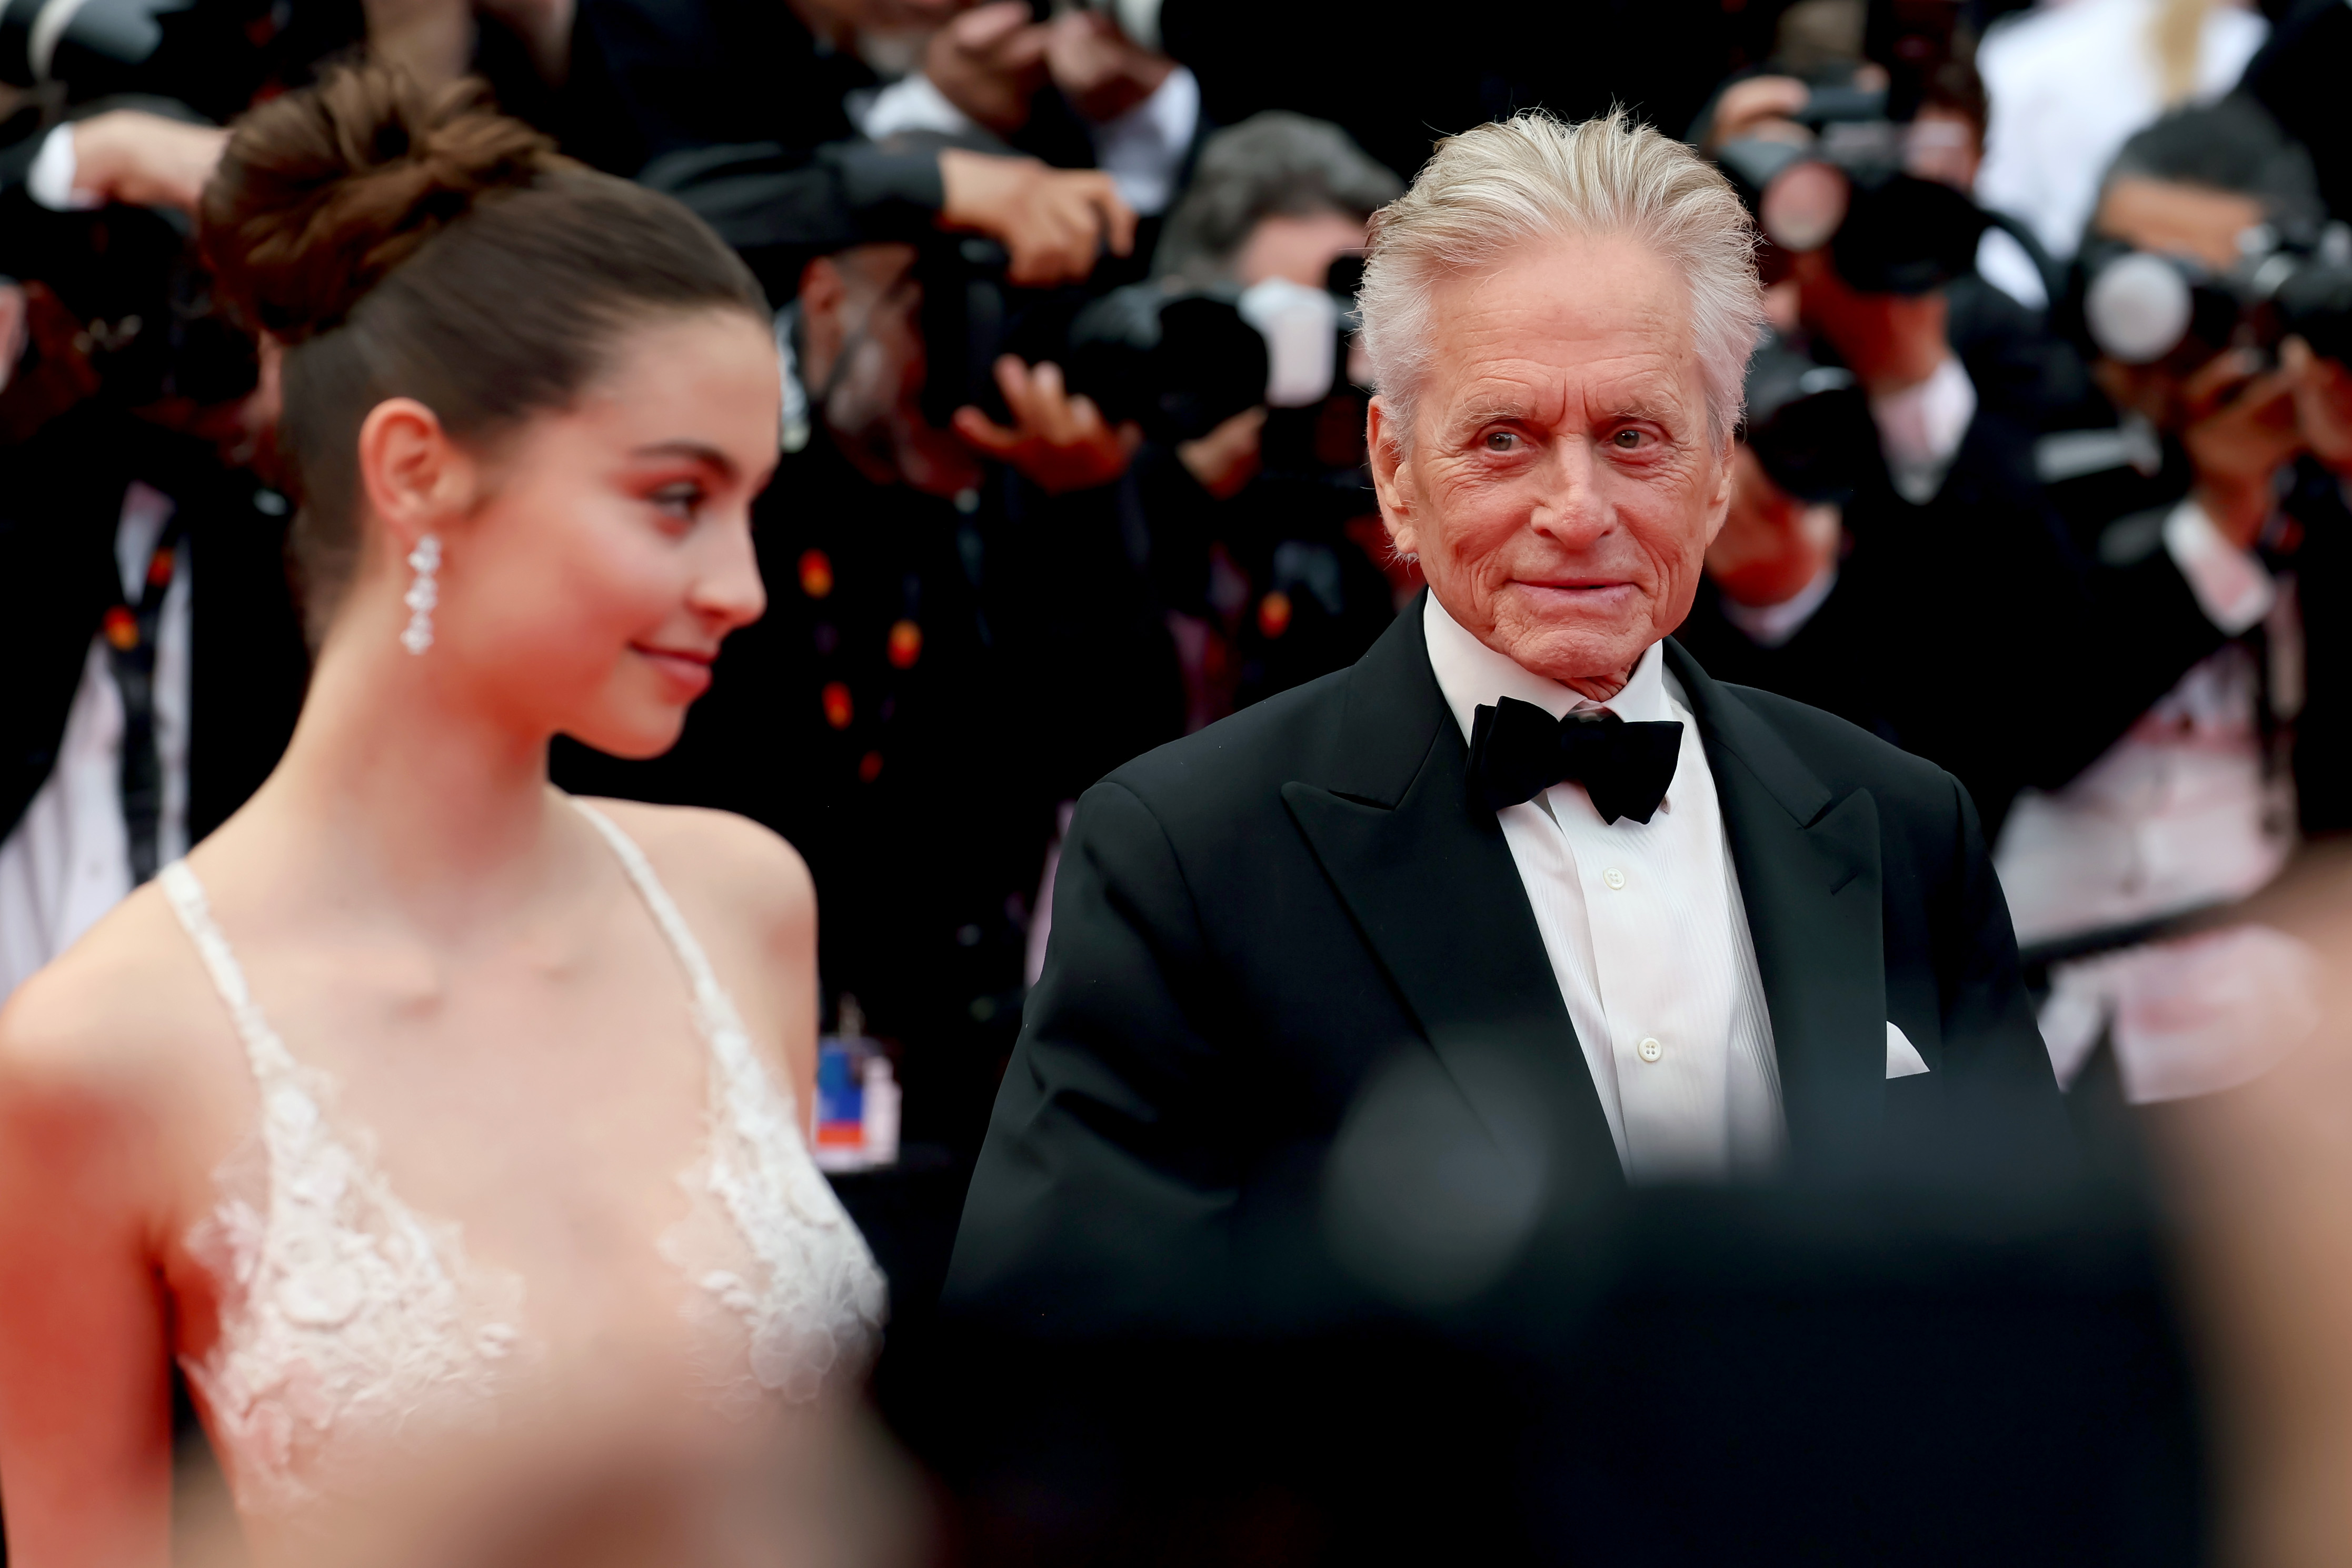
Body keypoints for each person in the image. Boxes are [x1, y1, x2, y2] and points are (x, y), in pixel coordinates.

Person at [943, 111, 2063, 1334]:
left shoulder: (1903, 824)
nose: (1575, 510)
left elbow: (2038, 1315)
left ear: (1717, 467)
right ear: (1393, 470)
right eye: (1503, 439)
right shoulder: (1186, 854)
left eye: (1632, 436)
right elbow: (1054, 1363)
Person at [0, 66, 884, 1561]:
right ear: (416, 470)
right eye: (675, 499)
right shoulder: (100, 1051)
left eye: (750, 502)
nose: (740, 585)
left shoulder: (743, 901)